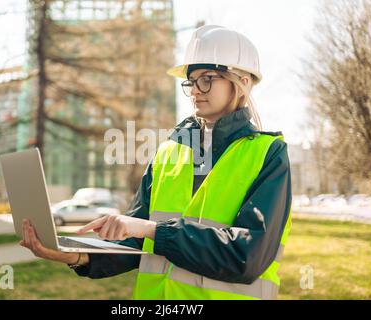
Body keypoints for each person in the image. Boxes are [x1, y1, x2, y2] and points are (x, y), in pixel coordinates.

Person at [20, 25, 292, 300]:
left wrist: (152, 230)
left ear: (243, 82)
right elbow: (134, 239)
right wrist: (77, 255)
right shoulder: (167, 153)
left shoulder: (269, 154)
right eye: (191, 81)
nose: (196, 90)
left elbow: (245, 256)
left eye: (208, 78)